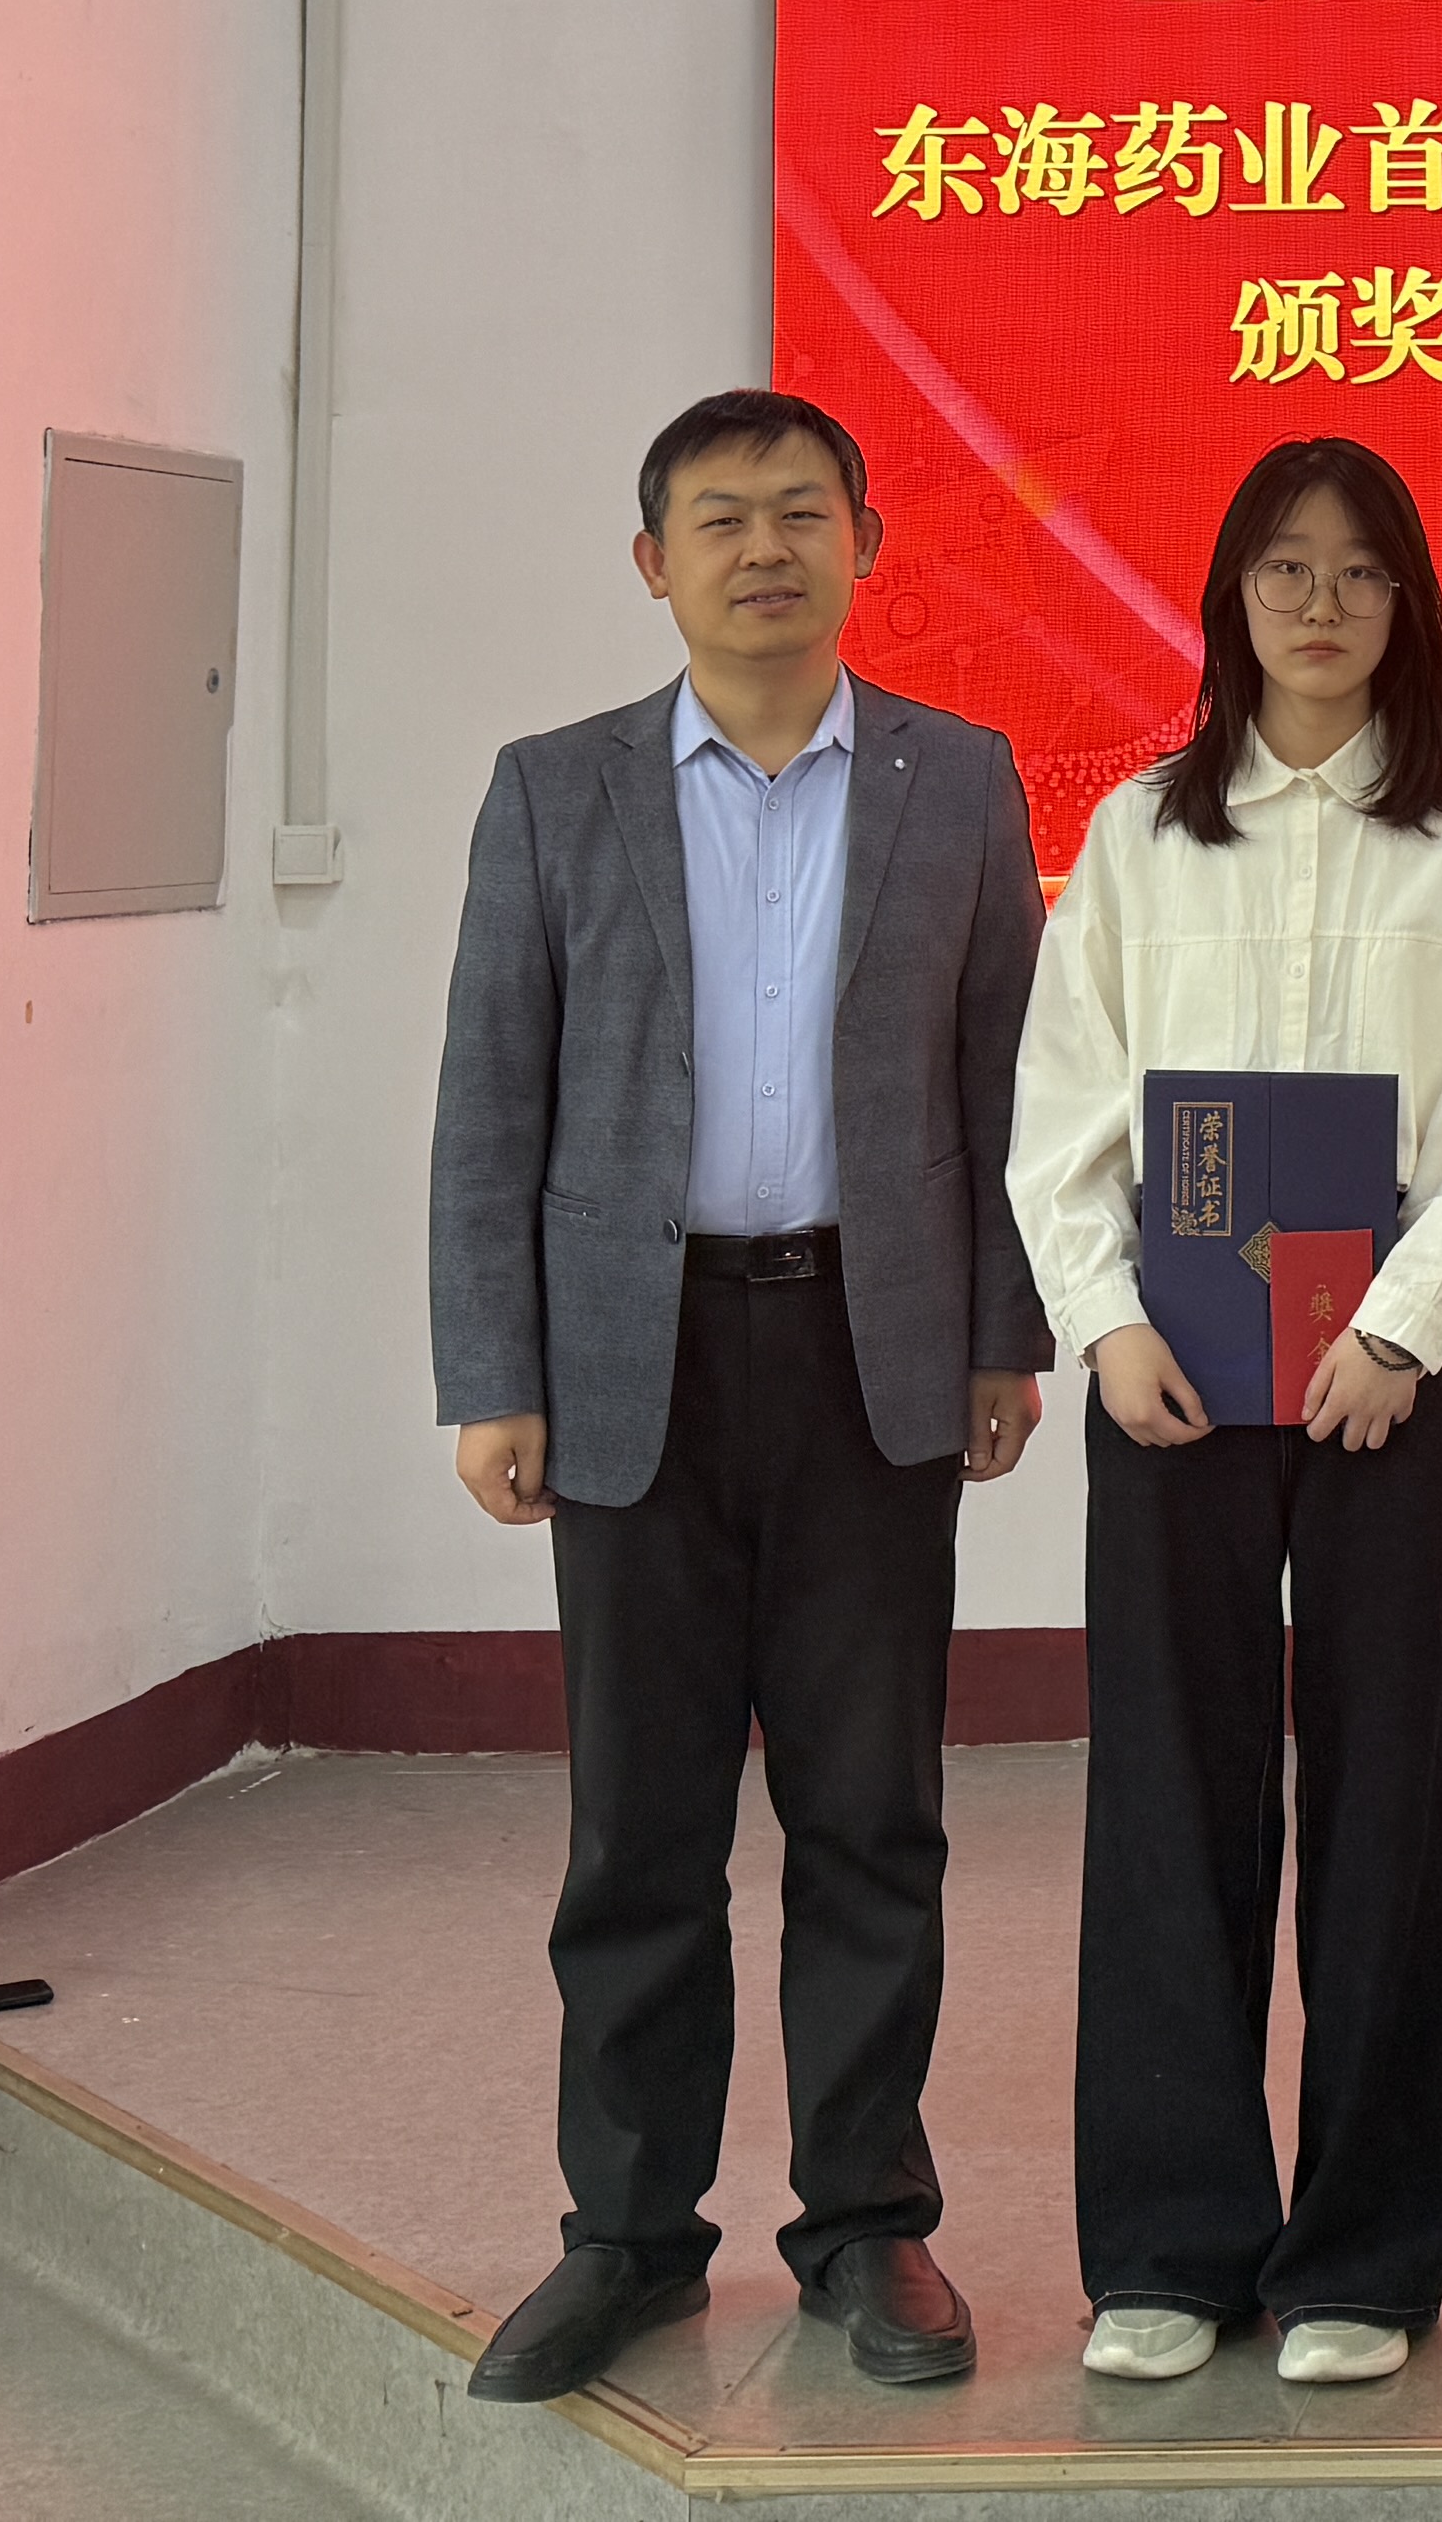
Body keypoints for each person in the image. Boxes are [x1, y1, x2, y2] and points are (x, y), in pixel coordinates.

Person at [426, 386, 1049, 2404]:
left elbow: (1005, 1084)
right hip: (639, 1357)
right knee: (640, 1828)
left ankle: (866, 2223)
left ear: (868, 543)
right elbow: (490, 1095)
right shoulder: (556, 790)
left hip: (874, 1347)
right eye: (720, 518)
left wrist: (1004, 1331)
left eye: (800, 512)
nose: (764, 549)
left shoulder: (959, 781)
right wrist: (493, 1370)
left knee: (873, 1813)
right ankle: (626, 2234)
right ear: (654, 563)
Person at [1008, 436, 1442, 2387]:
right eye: (1283, 570)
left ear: (1408, 605)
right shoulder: (1144, 832)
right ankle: (1170, 2246)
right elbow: (1065, 1106)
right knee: (1169, 1784)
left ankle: (1365, 2260)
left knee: (1393, 1792)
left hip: (1393, 1378)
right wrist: (1101, 1323)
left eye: (1358, 572)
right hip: (1172, 1370)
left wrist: (1401, 1332)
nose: (1319, 606)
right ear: (1232, 597)